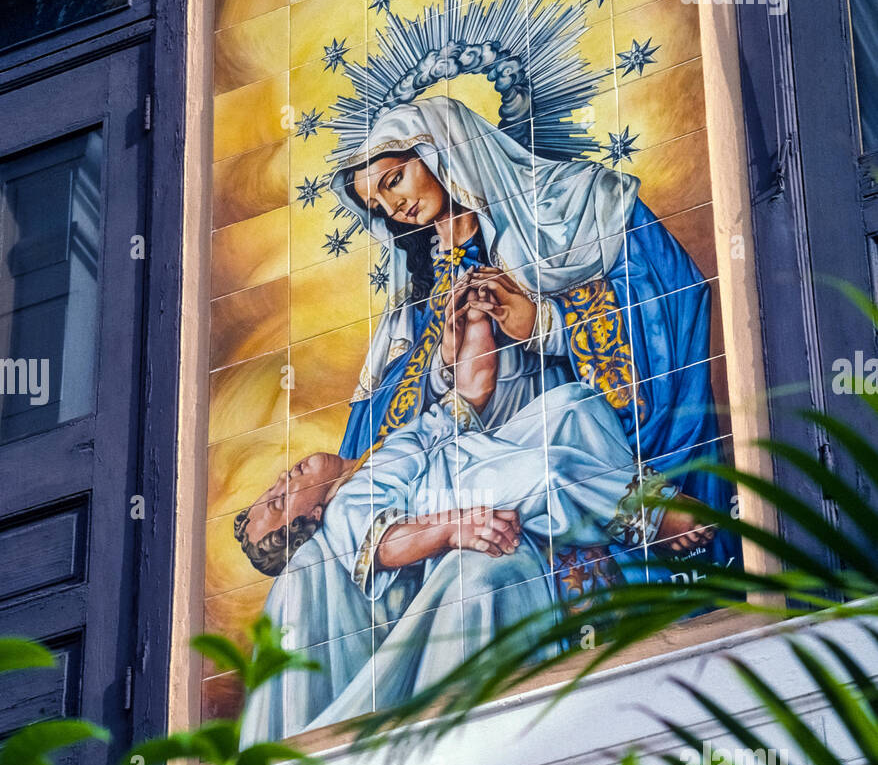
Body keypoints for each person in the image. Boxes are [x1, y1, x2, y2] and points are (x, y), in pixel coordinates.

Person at [237, 304, 710, 742]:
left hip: (482, 454)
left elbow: (471, 392)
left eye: (270, 489)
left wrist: (476, 320)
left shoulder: (375, 456)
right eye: (280, 501)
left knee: (571, 404)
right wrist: (452, 529)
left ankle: (634, 502)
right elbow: (386, 546)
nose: (282, 479)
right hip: (459, 491)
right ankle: (653, 520)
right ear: (311, 519)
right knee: (547, 472)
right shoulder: (345, 508)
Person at [331, 94, 736, 578]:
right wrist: (444, 361)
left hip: (584, 429)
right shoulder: (423, 292)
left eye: (395, 179)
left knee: (567, 411)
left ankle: (645, 513)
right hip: (489, 464)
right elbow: (403, 428)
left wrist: (546, 324)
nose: (395, 207)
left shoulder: (577, 204)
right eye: (378, 205)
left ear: (439, 148)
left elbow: (670, 294)